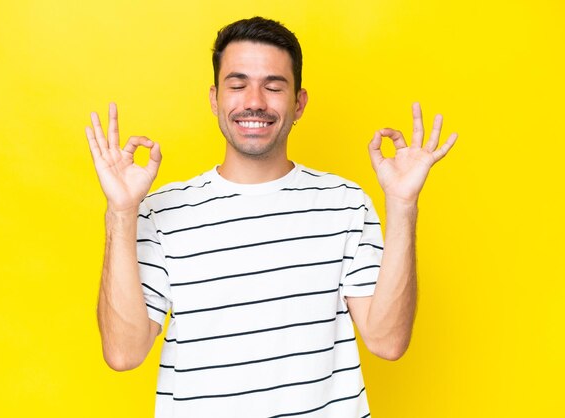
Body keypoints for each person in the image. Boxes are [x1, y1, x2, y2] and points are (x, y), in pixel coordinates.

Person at [85, 16, 457, 418]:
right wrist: (121, 213)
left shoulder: (345, 203)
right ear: (214, 99)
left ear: (299, 103)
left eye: (274, 86)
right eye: (238, 84)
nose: (255, 101)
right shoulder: (162, 211)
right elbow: (123, 353)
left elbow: (387, 342)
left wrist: (402, 205)